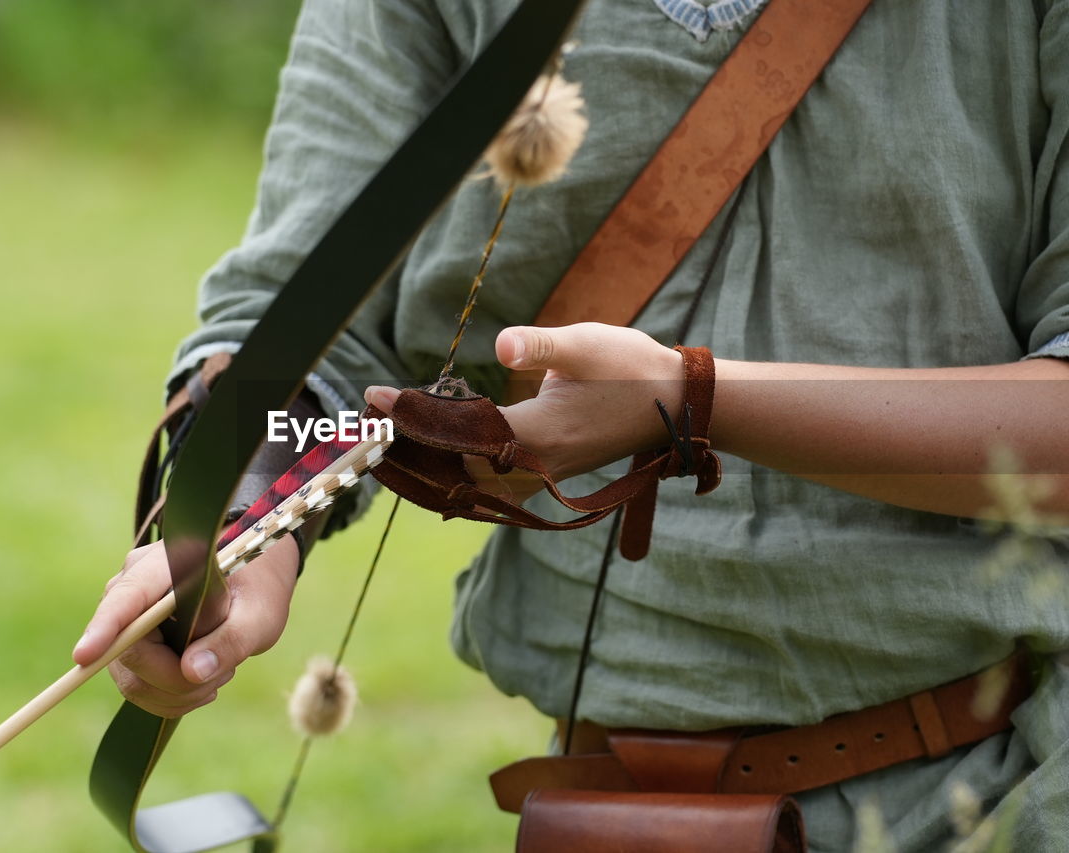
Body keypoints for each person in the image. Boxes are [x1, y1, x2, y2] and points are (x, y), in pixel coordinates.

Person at [73, 0, 1069, 849]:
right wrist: (245, 518)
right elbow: (308, 348)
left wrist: (691, 398)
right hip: (594, 800)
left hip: (1010, 784)